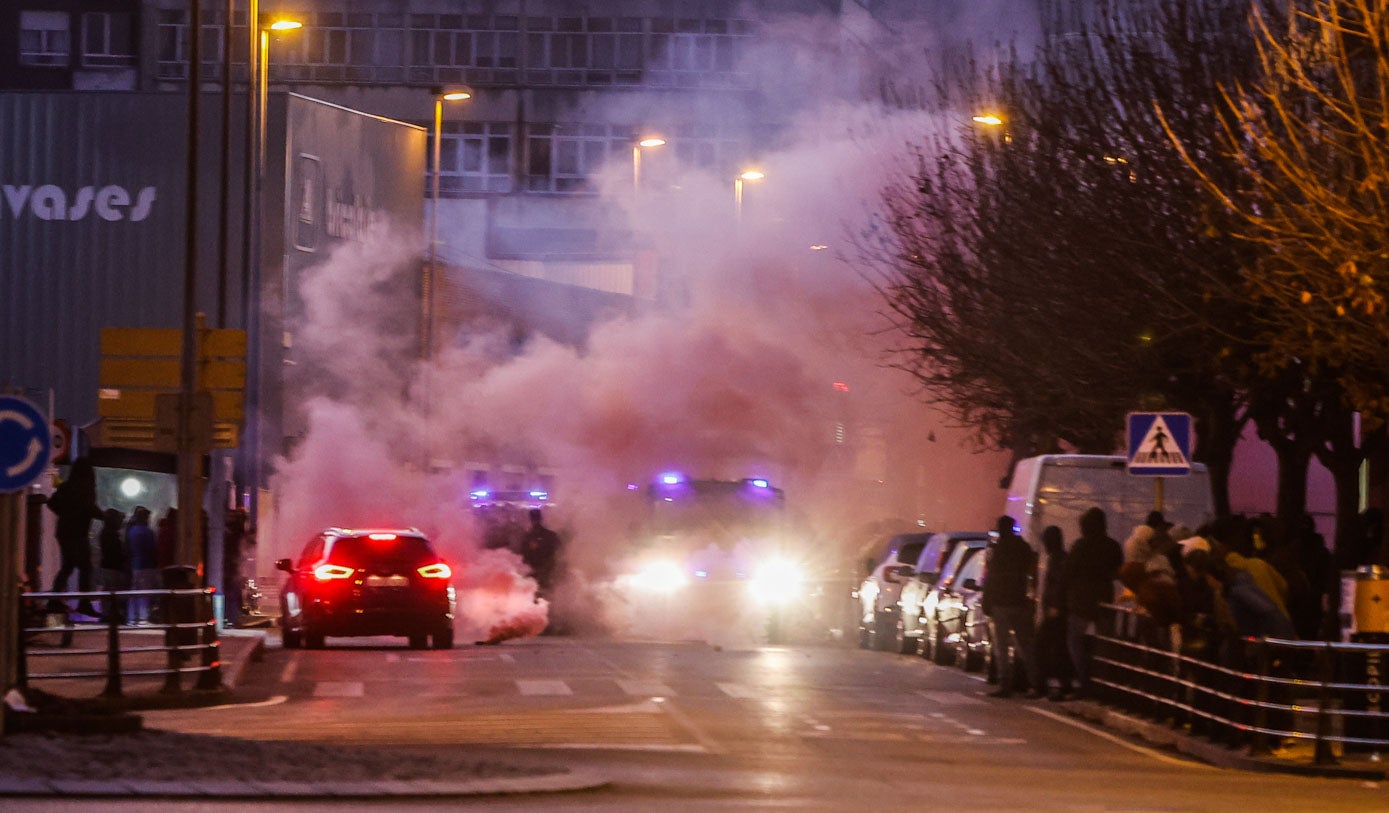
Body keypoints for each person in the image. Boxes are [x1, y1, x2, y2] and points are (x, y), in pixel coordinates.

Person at [1063, 507, 1123, 696]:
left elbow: (1069, 572)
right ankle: (1104, 683)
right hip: (1103, 598)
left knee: (1075, 644)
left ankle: (1085, 681)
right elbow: (1117, 571)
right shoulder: (1112, 546)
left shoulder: (1080, 546)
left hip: (1080, 601)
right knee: (1104, 643)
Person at [982, 515, 1040, 698]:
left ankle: (1005, 684)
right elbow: (1032, 571)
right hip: (1020, 602)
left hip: (1001, 603)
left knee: (1001, 648)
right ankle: (1036, 684)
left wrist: (987, 601)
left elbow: (991, 578)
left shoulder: (997, 550)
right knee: (1025, 646)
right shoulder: (1024, 548)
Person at [45, 457, 104, 618]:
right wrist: (105, 516)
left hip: (64, 532)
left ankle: (54, 601)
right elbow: (90, 508)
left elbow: (51, 504)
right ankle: (84, 603)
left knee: (67, 567)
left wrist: (64, 514)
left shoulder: (65, 487)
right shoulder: (85, 488)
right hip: (78, 534)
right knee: (86, 568)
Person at [1035, 525, 1074, 700]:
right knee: (1056, 649)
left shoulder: (1059, 560)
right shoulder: (1057, 558)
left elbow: (1058, 585)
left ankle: (1050, 687)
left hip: (1056, 612)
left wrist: (1055, 607)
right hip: (1055, 610)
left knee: (1046, 648)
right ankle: (1057, 686)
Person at [127, 506, 159, 624]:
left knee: (135, 592)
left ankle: (132, 618)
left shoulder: (132, 531)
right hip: (147, 565)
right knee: (145, 593)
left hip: (135, 565)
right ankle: (143, 618)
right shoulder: (148, 532)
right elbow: (152, 549)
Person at [98, 508, 130, 623]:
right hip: (113, 567)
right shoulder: (110, 534)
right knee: (113, 591)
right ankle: (111, 614)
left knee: (109, 591)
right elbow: (115, 552)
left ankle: (108, 613)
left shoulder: (107, 533)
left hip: (108, 566)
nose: (120, 522)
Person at [519, 508, 561, 596]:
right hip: (545, 570)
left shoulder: (527, 536)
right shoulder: (550, 535)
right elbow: (558, 551)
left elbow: (524, 555)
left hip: (539, 570)